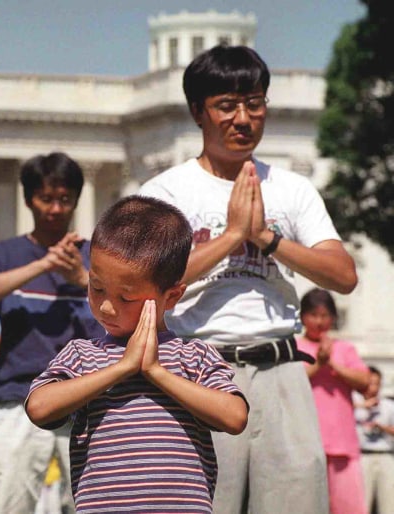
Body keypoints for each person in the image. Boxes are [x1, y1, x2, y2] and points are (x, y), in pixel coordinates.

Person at [138, 45, 358, 513]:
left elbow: (342, 275)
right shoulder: (165, 192)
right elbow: (142, 284)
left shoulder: (291, 188)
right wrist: (232, 236)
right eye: (226, 106)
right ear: (198, 112)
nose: (243, 118)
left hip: (282, 370)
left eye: (254, 103)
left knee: (297, 502)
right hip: (199, 368)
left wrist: (267, 239)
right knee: (203, 504)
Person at [26, 195, 248, 513]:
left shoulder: (194, 356)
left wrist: (156, 371)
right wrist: (122, 368)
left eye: (126, 298)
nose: (105, 306)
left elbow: (235, 416)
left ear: (171, 296)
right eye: (96, 287)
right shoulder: (83, 355)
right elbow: (39, 406)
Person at [0, 151, 104, 514]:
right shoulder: (5, 254)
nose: (55, 209)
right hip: (19, 399)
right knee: (9, 504)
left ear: (75, 200)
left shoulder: (97, 257)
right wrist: (42, 264)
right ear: (28, 199)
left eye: (64, 199)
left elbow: (123, 311)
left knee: (94, 505)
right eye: (46, 198)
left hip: (87, 402)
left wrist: (80, 279)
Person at [296, 288, 370, 514]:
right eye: (314, 315)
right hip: (304, 443)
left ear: (334, 318)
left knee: (349, 508)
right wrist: (318, 364)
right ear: (303, 317)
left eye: (325, 315)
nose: (319, 321)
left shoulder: (345, 349)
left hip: (342, 444)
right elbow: (292, 382)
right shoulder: (295, 347)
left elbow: (364, 381)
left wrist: (332, 364)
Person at [355, 366, 394, 513]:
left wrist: (382, 427)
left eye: (376, 383)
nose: (373, 387)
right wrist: (362, 406)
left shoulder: (388, 406)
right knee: (362, 503)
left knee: (389, 503)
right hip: (362, 455)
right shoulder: (353, 404)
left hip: (386, 454)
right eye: (370, 383)